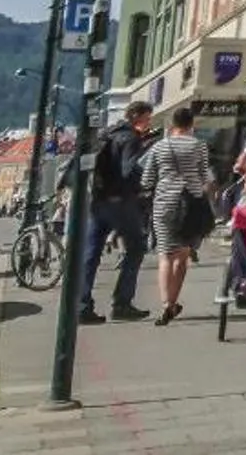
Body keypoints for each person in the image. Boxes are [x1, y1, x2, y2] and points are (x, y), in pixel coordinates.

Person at [78, 100, 154, 323]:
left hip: (98, 200)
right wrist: (142, 186)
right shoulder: (130, 138)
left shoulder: (106, 134)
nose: (149, 122)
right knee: (137, 247)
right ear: (137, 117)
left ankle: (82, 305)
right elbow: (129, 170)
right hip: (119, 201)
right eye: (147, 118)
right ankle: (122, 302)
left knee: (91, 253)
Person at [144, 106, 216, 326]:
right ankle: (174, 301)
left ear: (171, 125)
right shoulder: (199, 146)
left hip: (164, 203)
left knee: (165, 255)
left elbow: (146, 180)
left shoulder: (159, 146)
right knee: (182, 255)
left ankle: (166, 304)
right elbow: (206, 176)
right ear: (191, 124)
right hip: (191, 204)